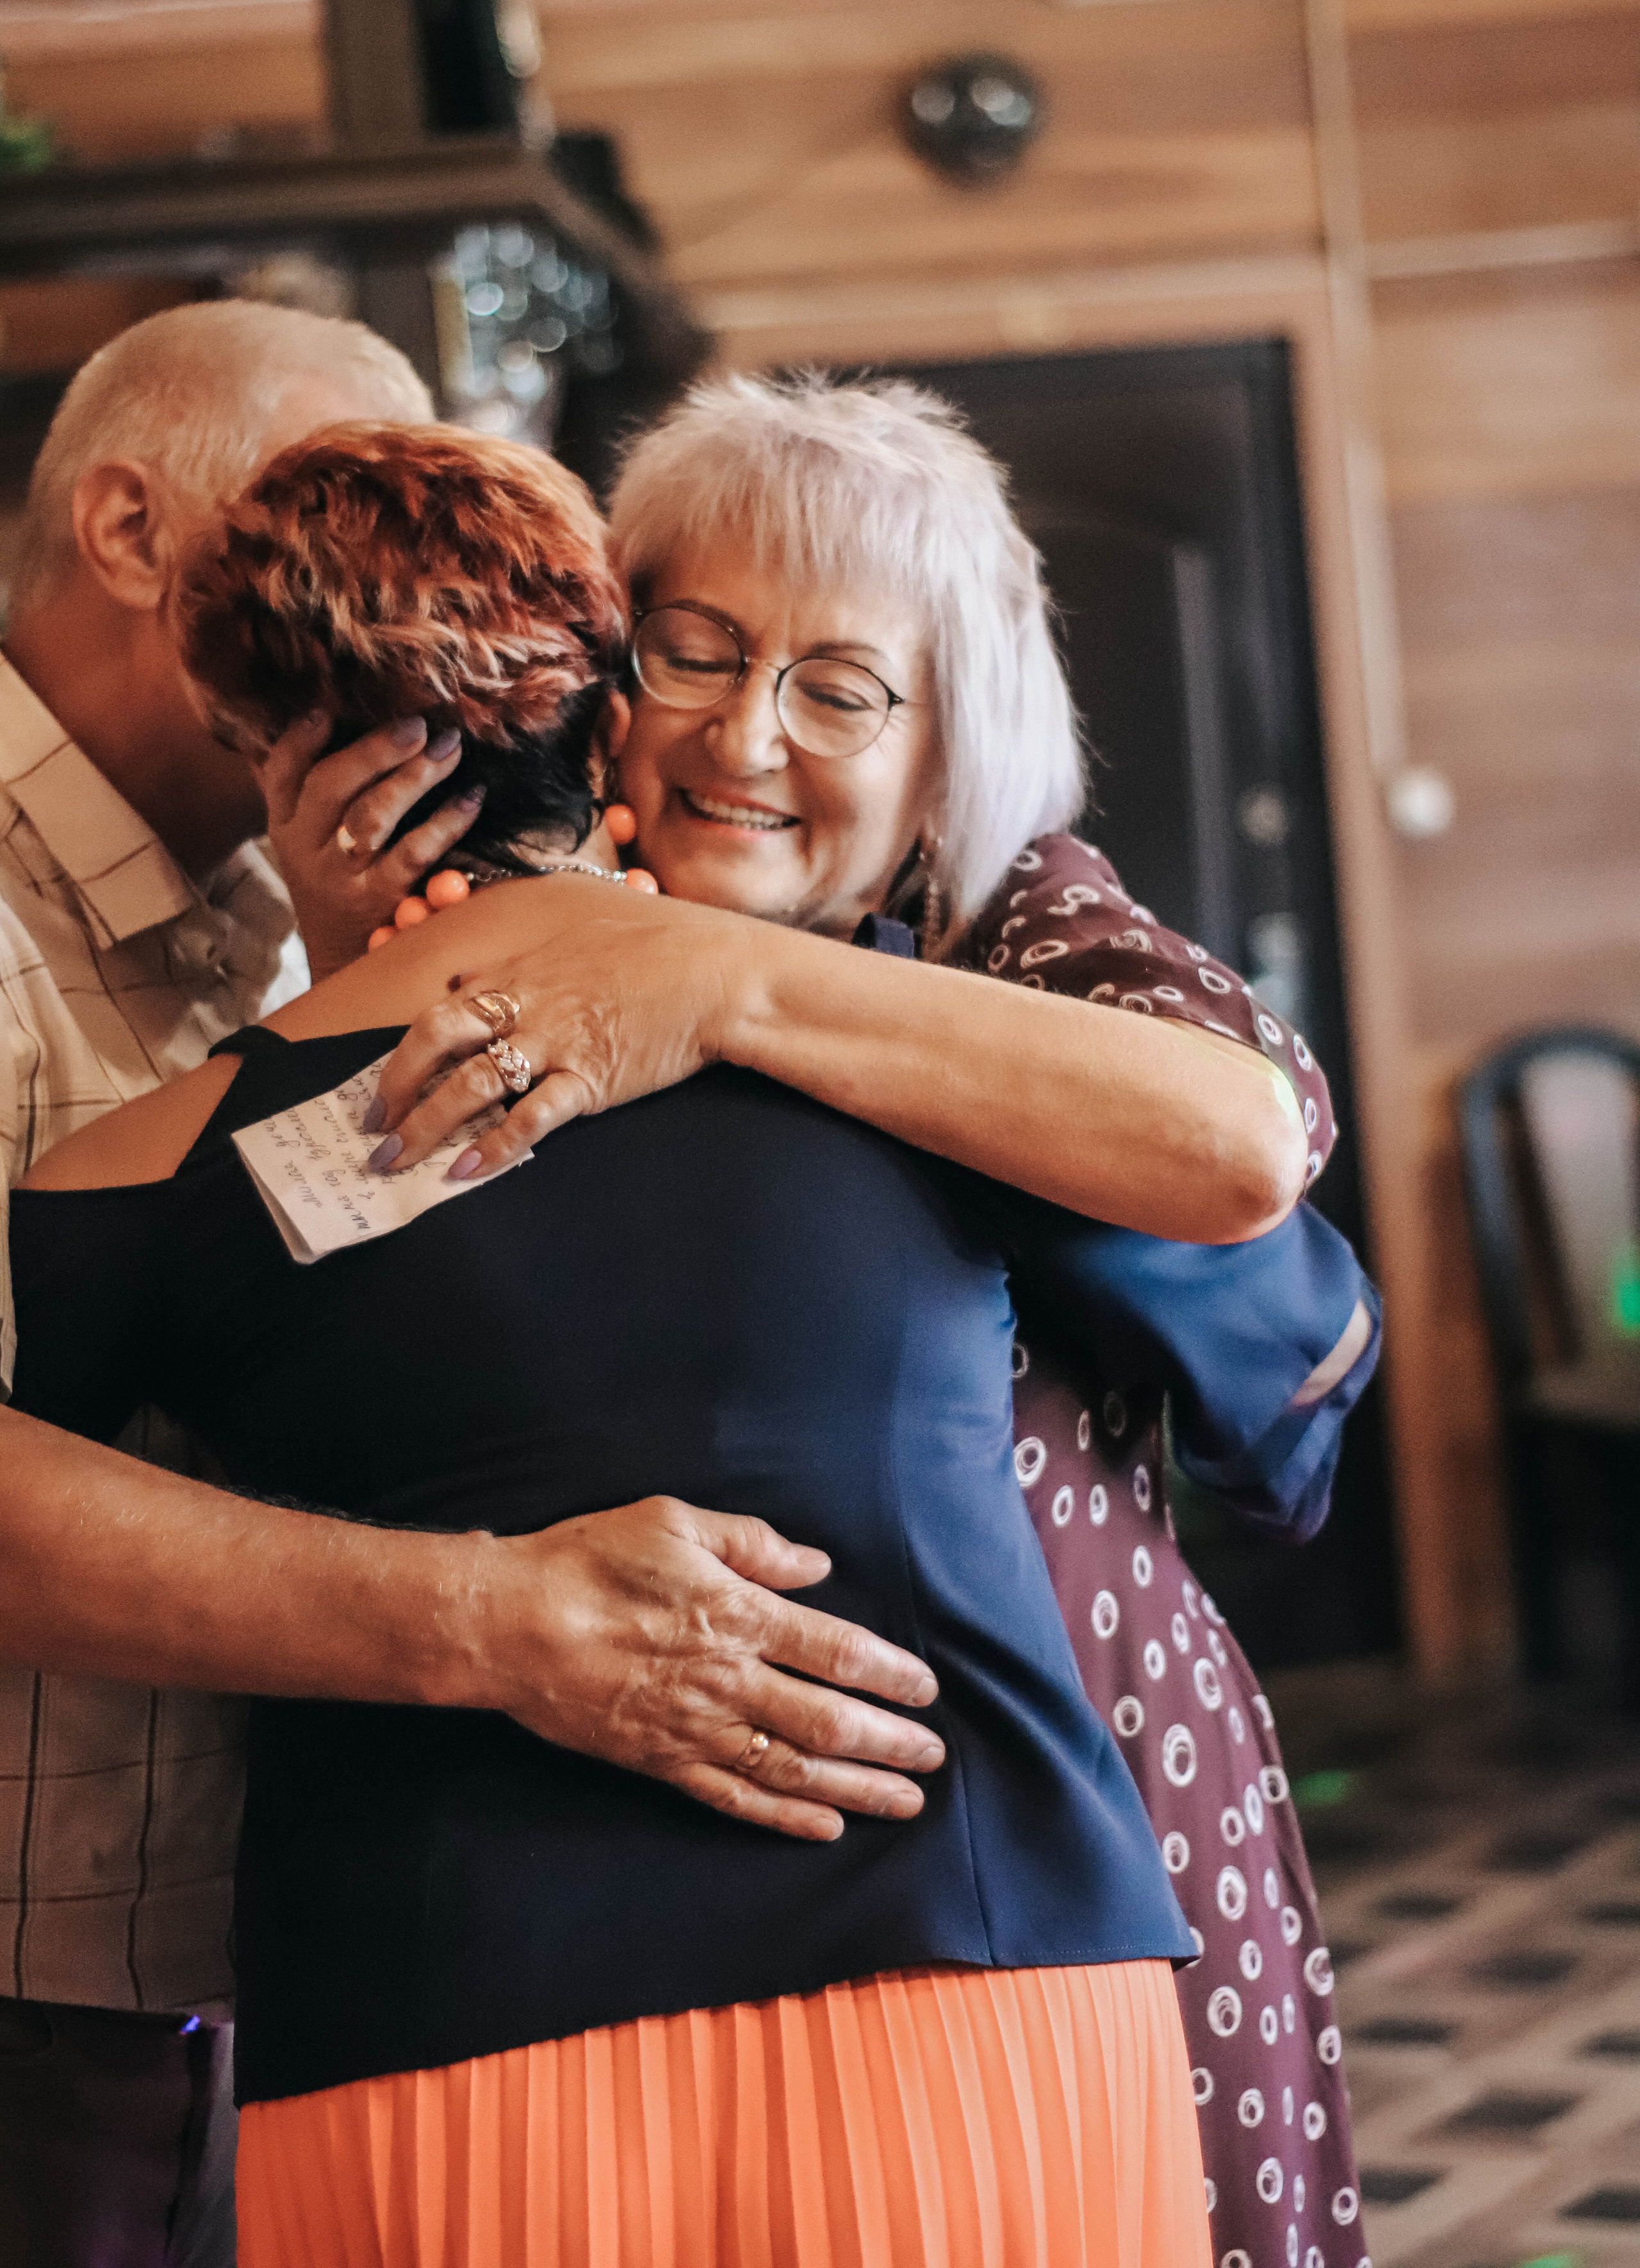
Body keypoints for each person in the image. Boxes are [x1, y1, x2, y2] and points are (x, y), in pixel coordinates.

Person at [0, 418, 1373, 2265]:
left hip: (1040, 1833)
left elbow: (1240, 1148)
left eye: (841, 687)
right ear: (584, 681)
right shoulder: (346, 1042)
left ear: (949, 746)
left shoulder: (1005, 934)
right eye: (694, 654)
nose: (742, 739)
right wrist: (365, 996)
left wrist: (718, 983)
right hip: (676, 1962)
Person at [0, 312, 946, 2268]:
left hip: (255, 1944)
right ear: (125, 528)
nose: (403, 584)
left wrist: (362, 982)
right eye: (327, 515)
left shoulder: (278, 896)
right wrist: (498, 1620)